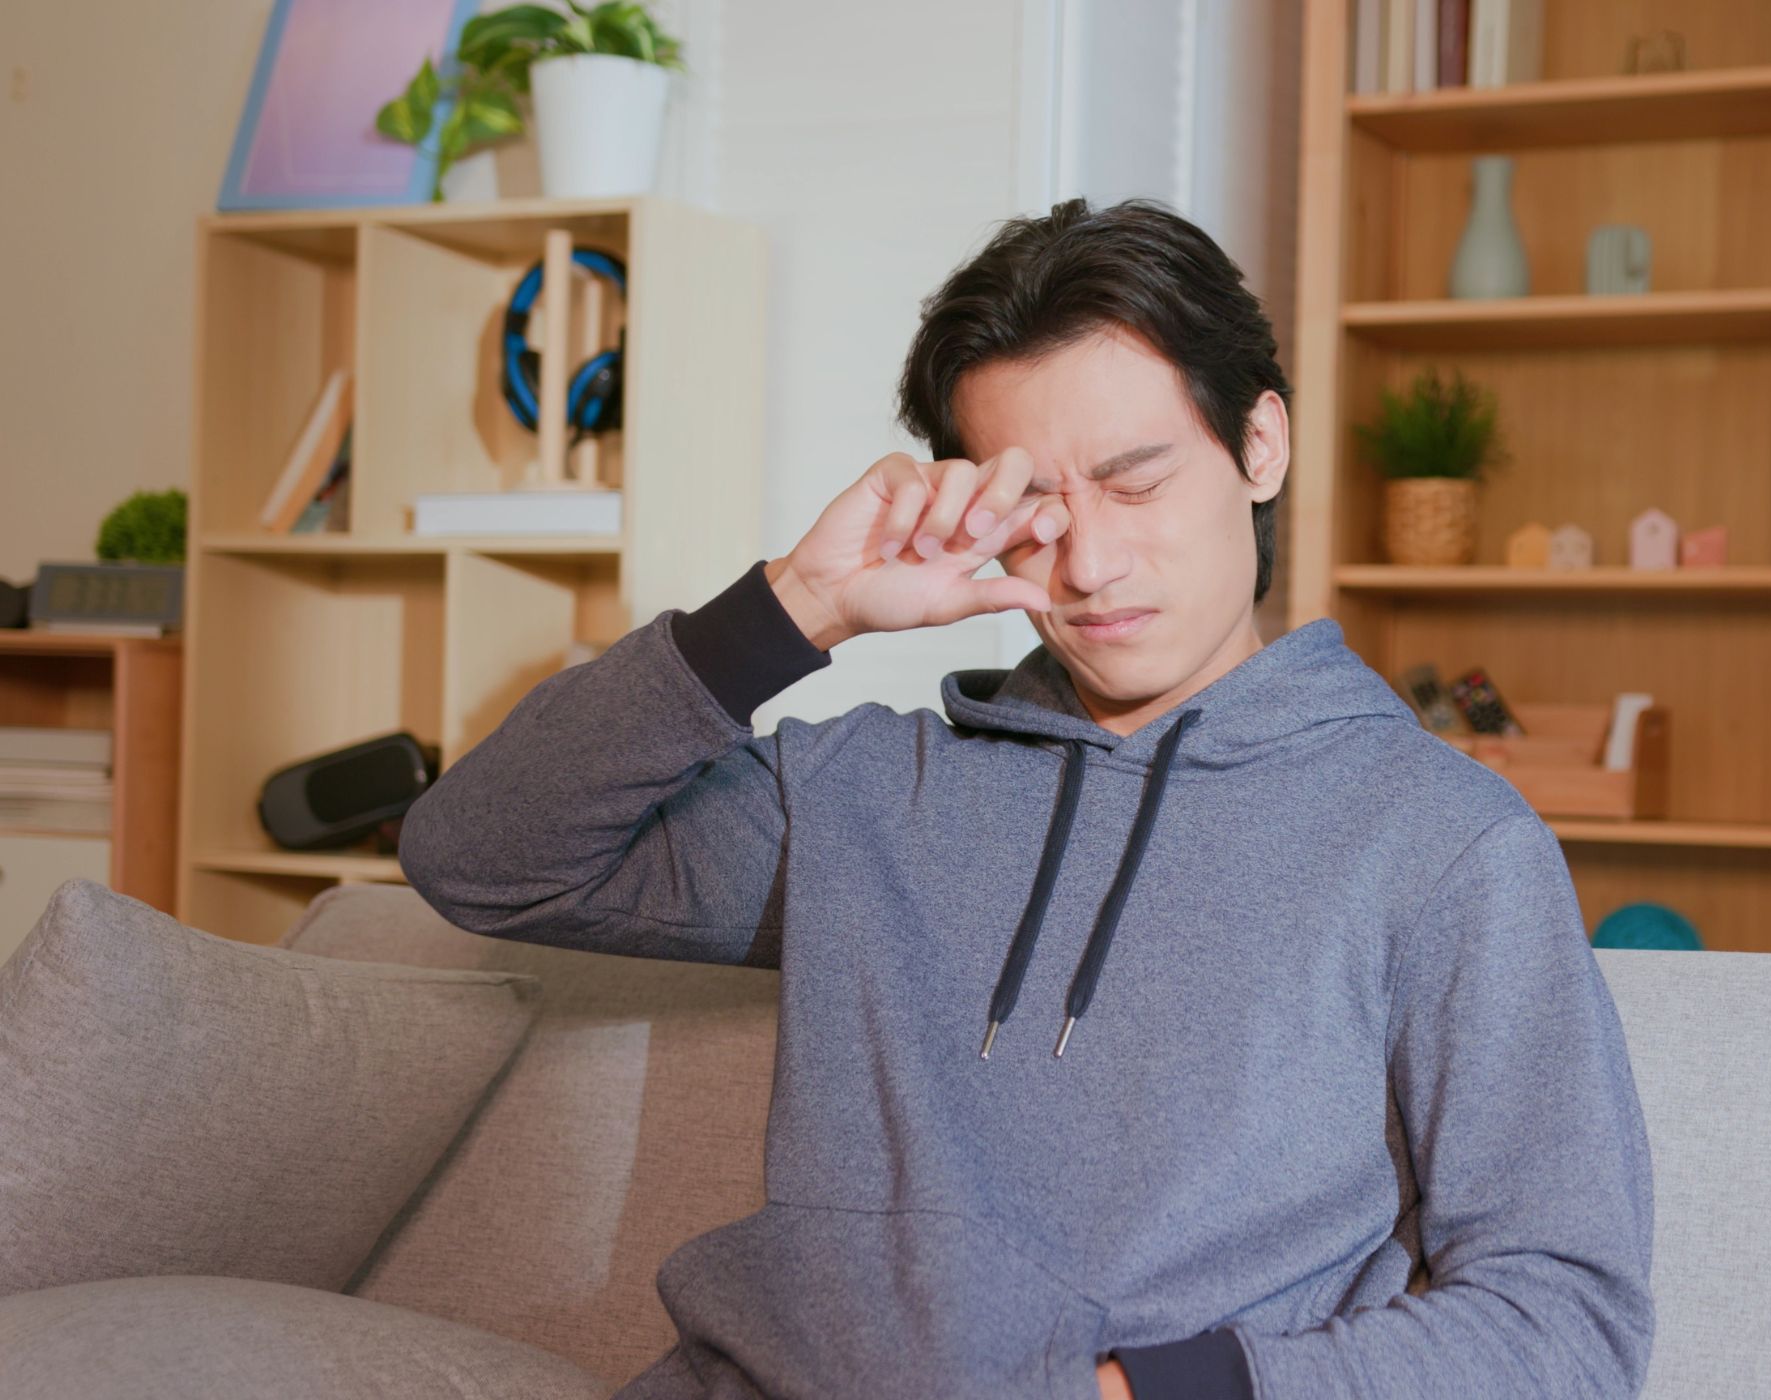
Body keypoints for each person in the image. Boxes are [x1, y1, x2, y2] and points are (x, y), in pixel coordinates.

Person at [397, 196, 1656, 1400]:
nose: (1089, 563)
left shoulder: (1441, 843)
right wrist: (800, 607)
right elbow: (478, 856)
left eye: (1136, 480)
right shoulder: (866, 790)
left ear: (1259, 444)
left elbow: (1563, 1318)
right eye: (1035, 510)